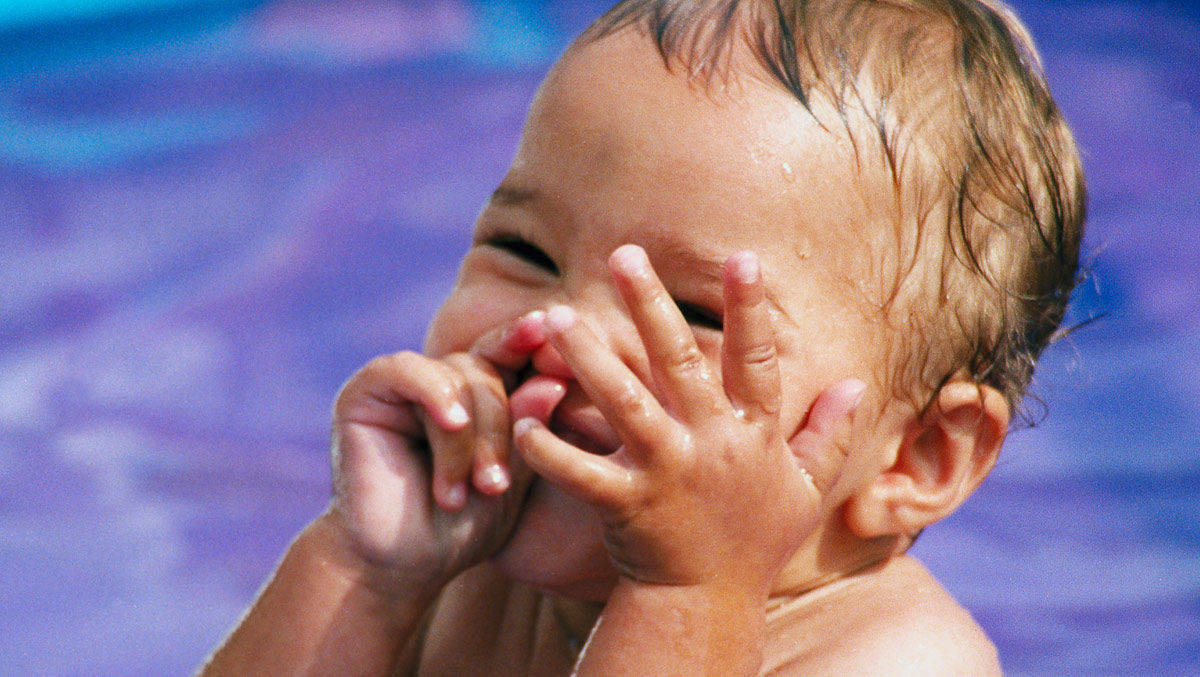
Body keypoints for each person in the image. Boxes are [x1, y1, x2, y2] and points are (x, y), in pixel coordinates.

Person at [200, 0, 1084, 673]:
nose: (558, 327)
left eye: (690, 313)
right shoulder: (469, 574)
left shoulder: (895, 660)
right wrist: (362, 564)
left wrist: (690, 594)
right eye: (522, 249)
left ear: (916, 457)